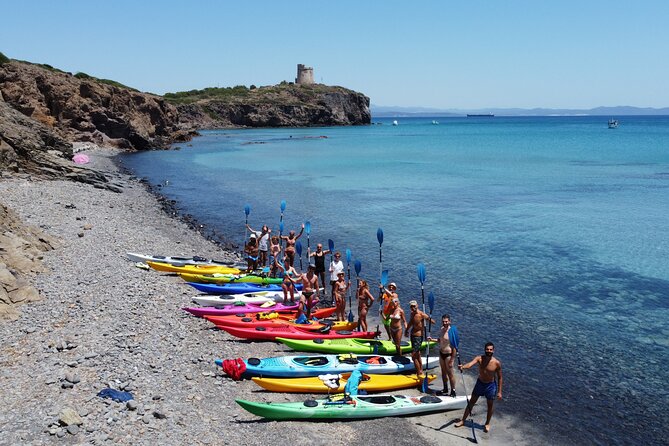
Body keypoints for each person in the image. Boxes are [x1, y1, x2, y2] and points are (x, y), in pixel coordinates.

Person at [454, 342, 503, 434]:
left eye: (490, 349)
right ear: (485, 349)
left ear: (493, 350)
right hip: (480, 383)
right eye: (487, 349)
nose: (489, 351)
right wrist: (462, 367)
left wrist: (499, 392)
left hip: (490, 386)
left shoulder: (497, 363)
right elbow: (469, 365)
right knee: (471, 402)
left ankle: (487, 423)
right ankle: (463, 420)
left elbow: (500, 377)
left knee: (490, 405)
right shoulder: (479, 358)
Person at [428, 314, 458, 396]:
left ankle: (453, 391)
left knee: (450, 374)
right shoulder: (441, 329)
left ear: (449, 321)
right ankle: (445, 389)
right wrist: (432, 340)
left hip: (448, 355)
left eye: (446, 321)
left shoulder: (452, 332)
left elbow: (455, 348)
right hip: (441, 354)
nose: (444, 323)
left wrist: (452, 360)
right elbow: (440, 340)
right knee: (443, 373)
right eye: (443, 321)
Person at [405, 300, 434, 379]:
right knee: (417, 354)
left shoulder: (421, 314)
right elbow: (411, 323)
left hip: (418, 337)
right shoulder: (412, 314)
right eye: (411, 306)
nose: (413, 308)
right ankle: (420, 370)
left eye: (414, 306)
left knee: (413, 356)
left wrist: (429, 318)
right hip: (412, 335)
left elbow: (432, 322)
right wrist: (406, 330)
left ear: (417, 305)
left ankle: (418, 373)